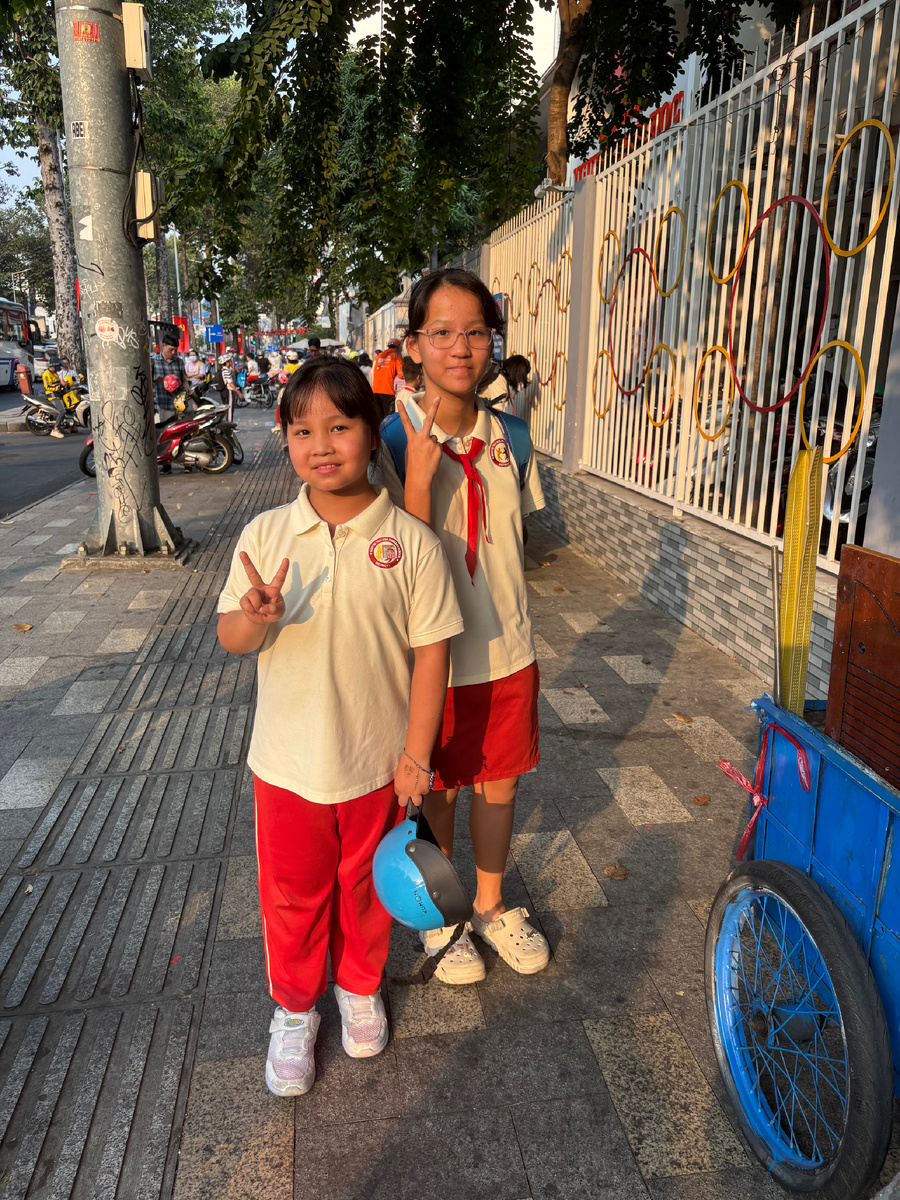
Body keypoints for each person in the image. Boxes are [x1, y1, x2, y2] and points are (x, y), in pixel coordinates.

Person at [217, 358, 463, 1097]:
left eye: (339, 426)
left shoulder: (410, 542)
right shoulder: (267, 535)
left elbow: (432, 654)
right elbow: (232, 637)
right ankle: (294, 1011)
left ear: (370, 433)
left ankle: (359, 988)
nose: (321, 445)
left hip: (376, 764)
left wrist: (416, 756)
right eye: (302, 431)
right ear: (285, 439)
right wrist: (253, 618)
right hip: (287, 765)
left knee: (363, 886)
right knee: (291, 894)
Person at [376, 267, 550, 984]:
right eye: (441, 332)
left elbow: (517, 544)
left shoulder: (511, 435)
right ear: (412, 345)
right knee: (440, 791)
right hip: (432, 664)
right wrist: (418, 476)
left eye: (475, 332)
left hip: (508, 650)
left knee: (501, 786)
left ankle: (488, 904)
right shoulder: (386, 439)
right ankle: (441, 914)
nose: (460, 347)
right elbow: (392, 566)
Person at [151, 334, 186, 417]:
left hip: (180, 405)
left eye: (175, 350)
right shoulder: (153, 362)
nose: (173, 352)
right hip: (163, 405)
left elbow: (184, 379)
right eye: (170, 349)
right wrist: (157, 380)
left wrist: (186, 387)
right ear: (163, 346)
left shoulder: (179, 362)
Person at [372, 339, 403, 421]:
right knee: (387, 419)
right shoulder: (396, 356)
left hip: (375, 391)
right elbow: (401, 374)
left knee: (378, 418)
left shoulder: (380, 356)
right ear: (398, 347)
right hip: (387, 391)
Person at [41, 356, 70, 438]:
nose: (59, 368)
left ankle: (61, 427)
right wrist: (60, 385)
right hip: (53, 396)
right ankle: (55, 429)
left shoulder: (55, 373)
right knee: (62, 411)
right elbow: (48, 387)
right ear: (53, 366)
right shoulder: (46, 374)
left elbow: (58, 383)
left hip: (59, 394)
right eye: (58, 366)